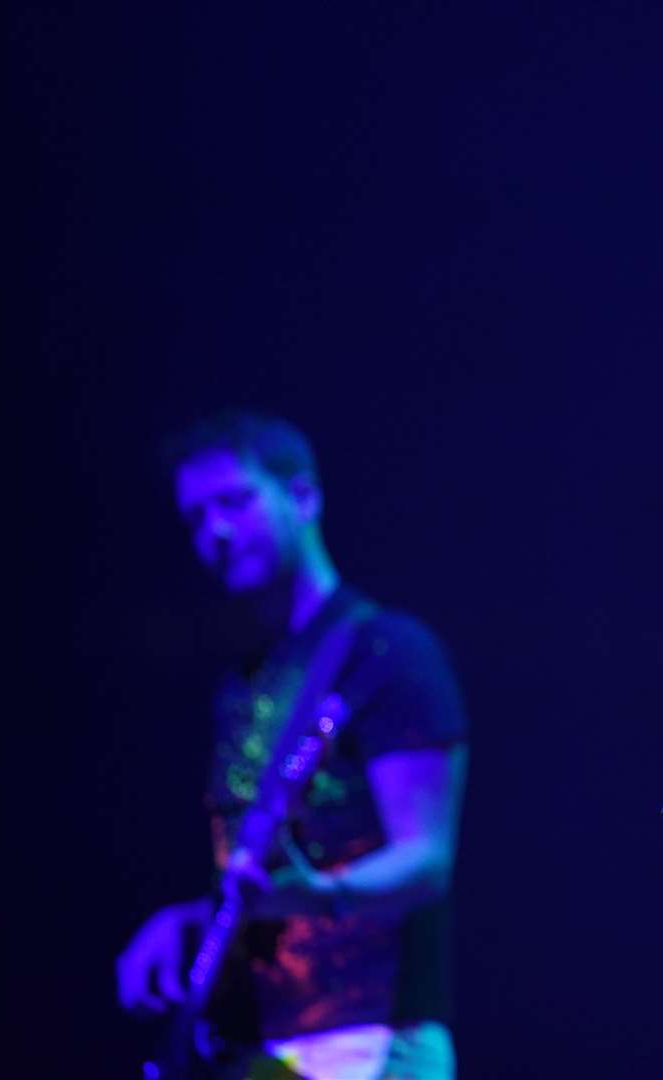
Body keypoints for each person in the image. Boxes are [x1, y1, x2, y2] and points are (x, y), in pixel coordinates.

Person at [116, 412, 468, 1080]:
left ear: (303, 496)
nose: (214, 532)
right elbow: (263, 884)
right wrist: (194, 919)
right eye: (195, 518)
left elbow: (426, 857)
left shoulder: (388, 654)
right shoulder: (244, 682)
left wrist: (321, 894)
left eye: (235, 501)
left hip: (370, 1034)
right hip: (262, 1041)